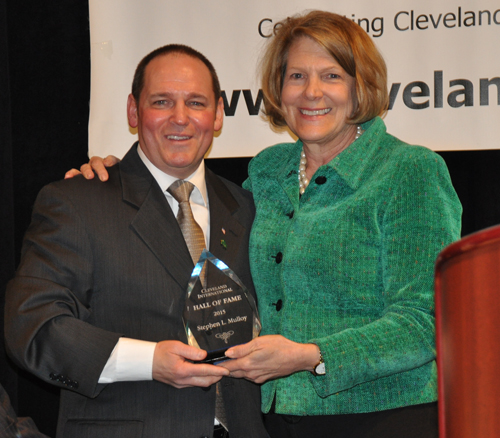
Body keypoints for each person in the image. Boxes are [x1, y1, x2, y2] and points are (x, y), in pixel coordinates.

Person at [69, 11, 462, 438]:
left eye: (331, 75)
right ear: (279, 90)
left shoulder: (409, 171)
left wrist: (312, 355)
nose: (311, 92)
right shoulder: (268, 173)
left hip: (382, 419)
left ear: (360, 85)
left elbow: (426, 321)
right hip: (271, 421)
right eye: (296, 76)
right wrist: (114, 178)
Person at [5, 44, 268, 438]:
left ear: (217, 115)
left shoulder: (247, 207)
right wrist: (149, 361)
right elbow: (33, 326)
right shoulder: (78, 201)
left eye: (196, 102)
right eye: (162, 101)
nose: (180, 119)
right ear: (133, 111)